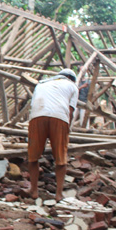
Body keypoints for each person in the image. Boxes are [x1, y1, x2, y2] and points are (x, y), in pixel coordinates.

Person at [27, 68, 79, 201]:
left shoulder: (42, 84)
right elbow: (70, 111)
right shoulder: (72, 86)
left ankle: (33, 190)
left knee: (33, 157)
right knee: (61, 157)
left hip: (37, 116)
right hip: (59, 117)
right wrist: (68, 129)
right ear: (72, 79)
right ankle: (59, 194)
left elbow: (33, 105)